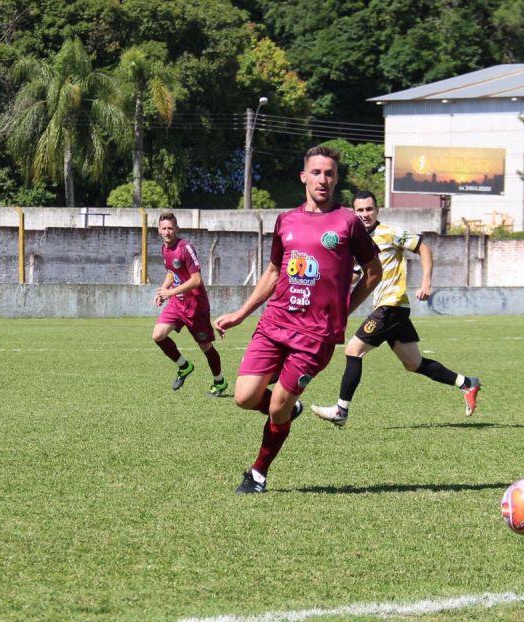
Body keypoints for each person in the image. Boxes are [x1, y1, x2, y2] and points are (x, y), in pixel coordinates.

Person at [213, 146, 382, 494]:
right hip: (275, 323)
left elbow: (373, 273)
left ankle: (258, 473)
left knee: (276, 407)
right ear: (304, 176)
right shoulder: (286, 220)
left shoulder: (348, 222)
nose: (323, 179)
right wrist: (242, 314)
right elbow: (274, 270)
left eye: (330, 173)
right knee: (244, 397)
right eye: (317, 172)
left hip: (316, 336)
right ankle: (292, 407)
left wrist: (344, 309)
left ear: (337, 179)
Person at [310, 190, 480, 427]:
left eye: (369, 209)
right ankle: (467, 383)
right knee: (414, 363)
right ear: (353, 212)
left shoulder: (390, 233)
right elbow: (361, 272)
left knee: (353, 350)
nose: (365, 214)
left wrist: (426, 282)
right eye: (359, 210)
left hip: (391, 305)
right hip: (393, 309)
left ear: (377, 210)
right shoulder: (357, 241)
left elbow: (424, 248)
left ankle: (341, 411)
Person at [152, 212, 227, 397]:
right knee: (158, 335)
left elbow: (196, 280)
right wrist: (163, 291)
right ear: (159, 230)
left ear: (177, 229)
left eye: (170, 228)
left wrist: (170, 292)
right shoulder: (164, 249)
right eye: (164, 229)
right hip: (177, 304)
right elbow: (172, 273)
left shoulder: (186, 248)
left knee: (206, 347)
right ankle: (184, 366)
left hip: (196, 307)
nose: (167, 232)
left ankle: (219, 381)